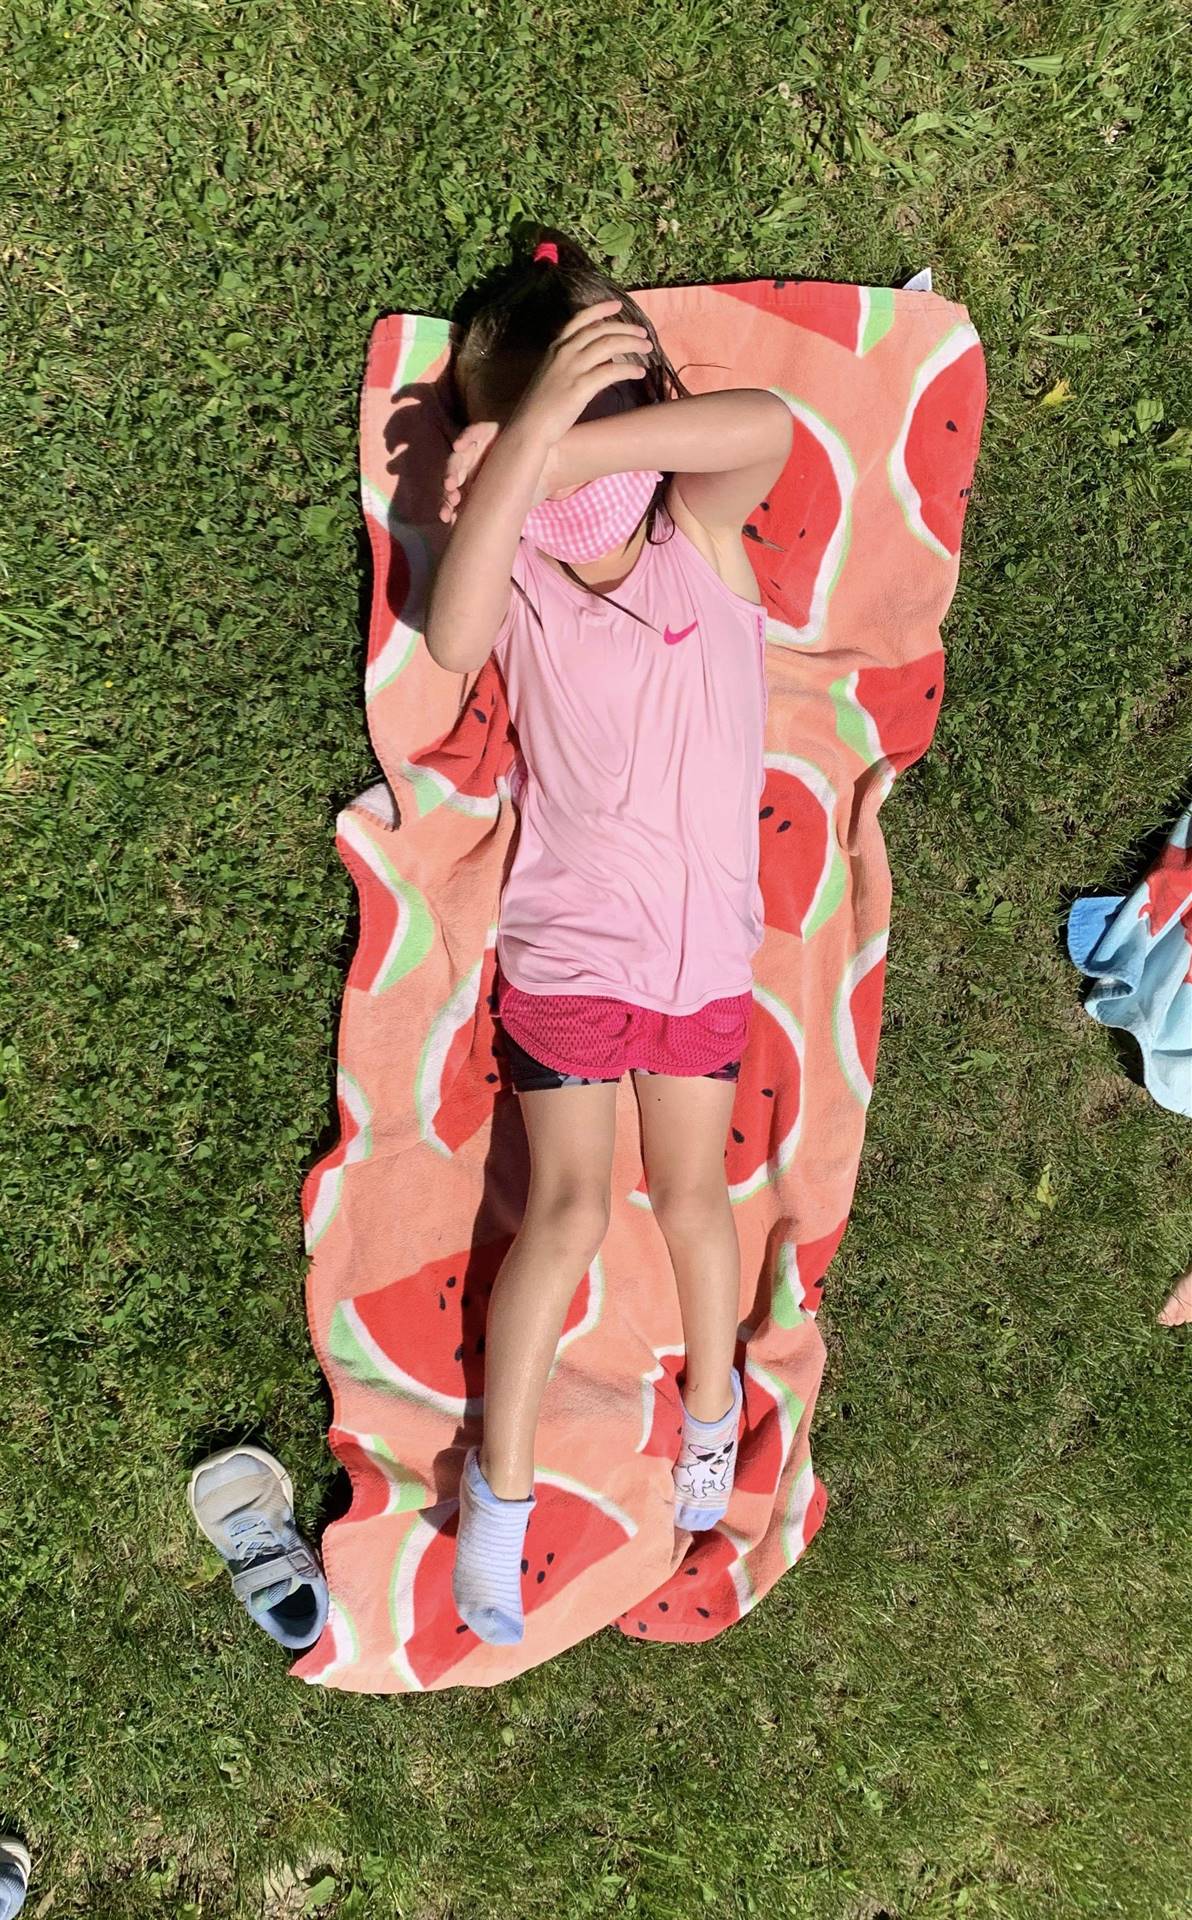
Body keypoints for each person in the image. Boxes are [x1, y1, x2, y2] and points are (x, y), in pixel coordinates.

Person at [426, 227, 793, 1645]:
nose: (573, 461)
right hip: (569, 964)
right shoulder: (510, 574)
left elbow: (760, 427)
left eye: (605, 422)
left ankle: (713, 1420)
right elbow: (454, 645)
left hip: (704, 969)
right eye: (535, 435)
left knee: (698, 1204)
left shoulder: (701, 541)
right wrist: (521, 472)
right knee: (569, 1213)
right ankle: (498, 1502)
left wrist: (572, 449)